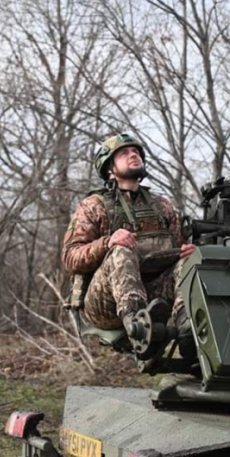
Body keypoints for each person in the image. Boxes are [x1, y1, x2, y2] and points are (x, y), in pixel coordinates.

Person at [62, 133, 196, 356]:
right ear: (109, 169)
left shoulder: (162, 206)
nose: (133, 155)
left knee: (189, 260)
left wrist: (186, 251)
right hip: (105, 302)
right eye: (124, 153)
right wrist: (108, 243)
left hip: (154, 295)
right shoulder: (94, 205)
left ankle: (187, 329)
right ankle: (138, 326)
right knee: (121, 249)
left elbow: (178, 250)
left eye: (136, 152)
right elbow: (70, 257)